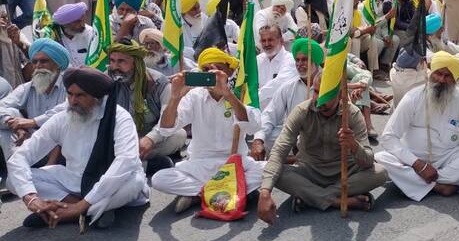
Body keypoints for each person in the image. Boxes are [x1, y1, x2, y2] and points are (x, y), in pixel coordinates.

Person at [6, 66, 150, 230]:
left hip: (111, 183)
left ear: (98, 97)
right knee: (15, 179)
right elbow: (21, 156)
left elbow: (125, 162)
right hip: (75, 182)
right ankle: (85, 212)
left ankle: (72, 212)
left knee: (135, 181)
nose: (73, 101)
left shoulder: (119, 118)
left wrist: (82, 205)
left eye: (80, 95)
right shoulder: (62, 118)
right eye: (70, 94)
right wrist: (32, 198)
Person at [256, 72, 386, 222]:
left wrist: (353, 145)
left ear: (339, 95)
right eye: (316, 91)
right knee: (275, 173)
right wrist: (264, 193)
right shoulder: (302, 111)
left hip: (345, 172)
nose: (318, 99)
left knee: (380, 173)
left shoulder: (352, 114)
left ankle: (311, 197)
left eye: (325, 94)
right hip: (310, 172)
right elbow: (279, 152)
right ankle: (339, 200)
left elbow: (368, 161)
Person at [375, 51, 459, 202]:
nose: (441, 79)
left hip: (447, 157)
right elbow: (389, 137)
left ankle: (414, 181)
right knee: (381, 158)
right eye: (438, 74)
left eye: (447, 76)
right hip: (412, 158)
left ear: (456, 79)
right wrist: (418, 165)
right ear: (431, 73)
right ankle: (439, 186)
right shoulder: (413, 97)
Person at [151, 48, 265, 213]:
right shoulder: (194, 95)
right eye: (205, 70)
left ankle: (199, 194)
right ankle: (227, 192)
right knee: (159, 179)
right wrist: (175, 98)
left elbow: (253, 126)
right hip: (200, 165)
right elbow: (166, 129)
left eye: (216, 69)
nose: (211, 74)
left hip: (235, 164)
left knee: (269, 169)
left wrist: (228, 95)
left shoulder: (241, 93)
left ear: (230, 71)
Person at [106, 39, 183, 173]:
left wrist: (150, 139)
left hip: (146, 139)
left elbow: (167, 122)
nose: (115, 66)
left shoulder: (158, 83)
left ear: (136, 62)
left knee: (179, 135)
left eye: (121, 61)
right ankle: (145, 166)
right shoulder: (105, 80)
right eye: (112, 61)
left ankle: (120, 163)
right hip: (116, 138)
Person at [251, 38, 322, 158]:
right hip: (292, 137)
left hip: (321, 138)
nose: (299, 64)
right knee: (269, 138)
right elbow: (269, 115)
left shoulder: (329, 87)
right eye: (297, 60)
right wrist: (258, 140)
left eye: (304, 60)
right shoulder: (288, 87)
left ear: (315, 61)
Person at [0, 39, 69, 161]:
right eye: (34, 62)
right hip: (32, 146)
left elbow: (67, 110)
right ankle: (14, 167)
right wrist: (18, 126)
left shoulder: (69, 86)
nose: (38, 66)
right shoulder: (28, 88)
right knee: (10, 115)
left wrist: (33, 122)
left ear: (57, 63)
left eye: (44, 61)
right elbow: (2, 107)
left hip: (62, 149)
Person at [256, 25, 297, 109]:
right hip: (258, 113)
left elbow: (279, 83)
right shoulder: (257, 60)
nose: (267, 44)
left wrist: (254, 97)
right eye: (263, 40)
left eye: (270, 40)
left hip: (281, 116)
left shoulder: (290, 60)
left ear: (281, 41)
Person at [51, 2, 95, 67]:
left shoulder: (90, 33)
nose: (82, 25)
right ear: (65, 24)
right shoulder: (53, 36)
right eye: (78, 22)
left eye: (83, 20)